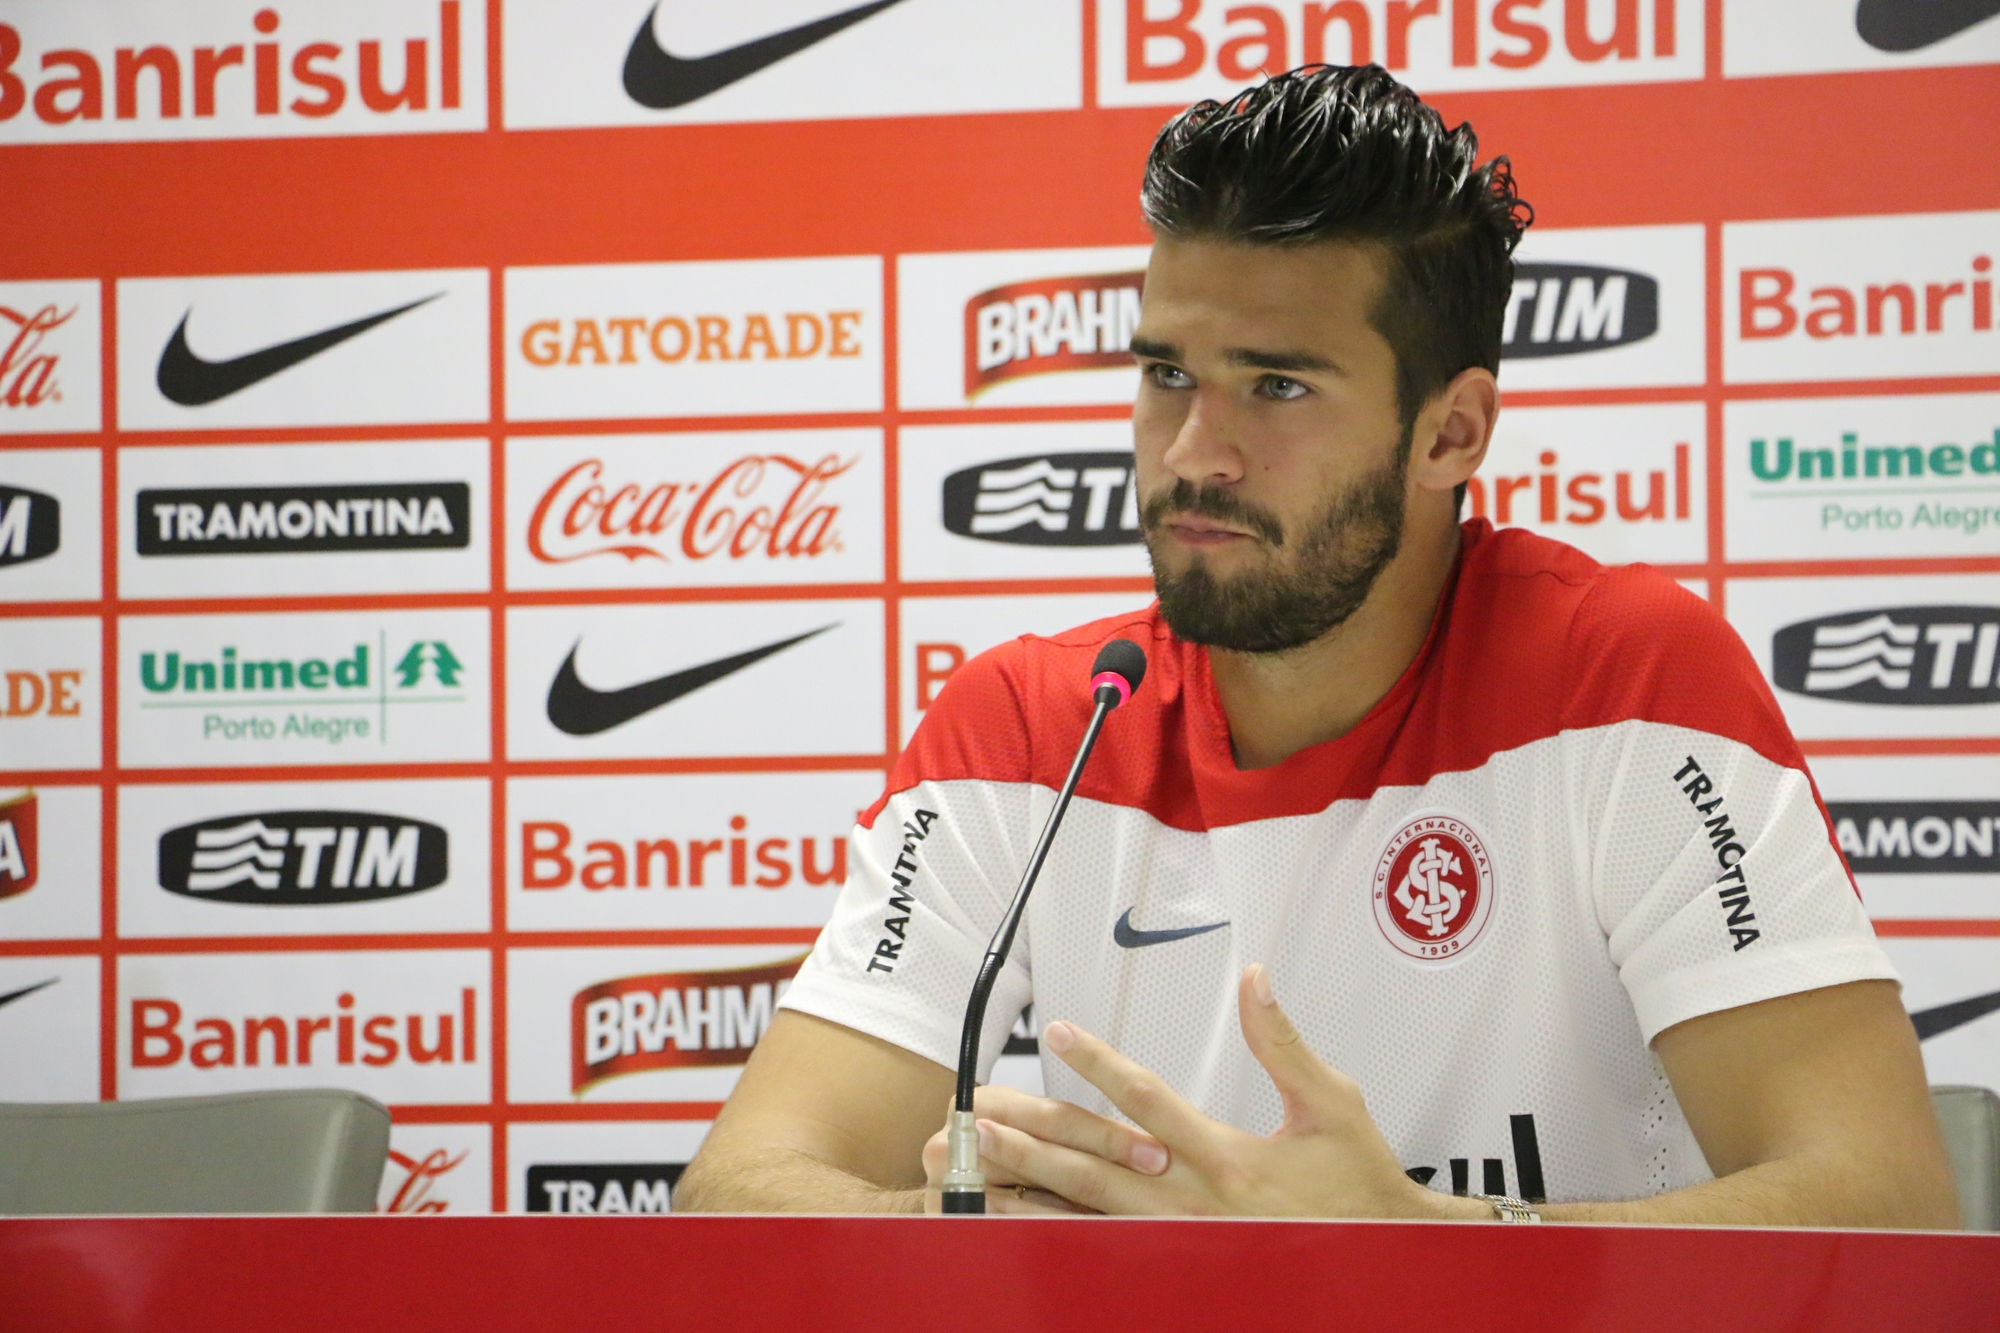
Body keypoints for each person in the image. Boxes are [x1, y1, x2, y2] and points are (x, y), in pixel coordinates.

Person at [674, 65, 1958, 1226]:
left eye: (1276, 386)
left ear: (1450, 434)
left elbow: (1882, 1204)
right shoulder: (1027, 727)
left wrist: (1416, 1251)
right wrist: (977, 1233)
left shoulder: (1617, 677)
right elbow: (737, 1190)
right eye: (1166, 373)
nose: (1191, 453)